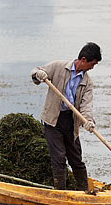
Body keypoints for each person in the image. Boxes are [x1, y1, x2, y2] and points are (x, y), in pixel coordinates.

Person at [31, 43, 102, 191]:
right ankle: (60, 193)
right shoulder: (58, 67)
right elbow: (36, 72)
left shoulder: (87, 82)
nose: (92, 68)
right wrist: (38, 75)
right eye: (92, 64)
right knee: (59, 158)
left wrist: (88, 121)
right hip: (53, 120)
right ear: (83, 59)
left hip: (71, 121)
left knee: (76, 159)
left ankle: (84, 191)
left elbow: (86, 105)